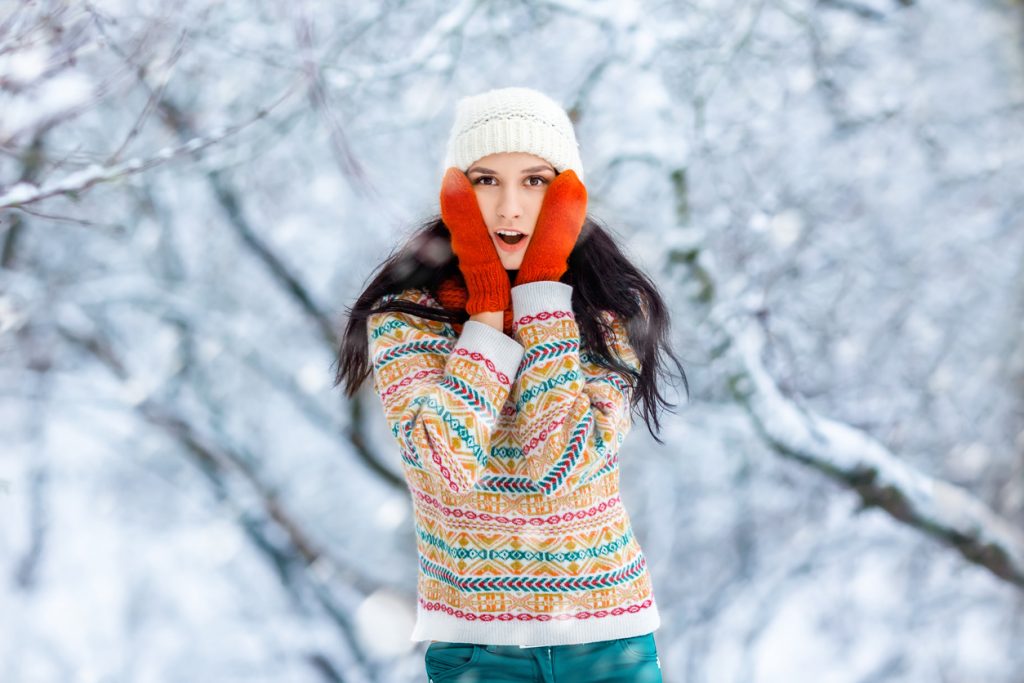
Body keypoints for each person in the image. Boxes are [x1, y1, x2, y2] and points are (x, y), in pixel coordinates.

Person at [334, 86, 688, 683]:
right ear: (455, 192)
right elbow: (445, 468)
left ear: (567, 195)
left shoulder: (606, 314)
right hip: (477, 651)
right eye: (485, 180)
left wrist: (543, 299)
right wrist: (488, 324)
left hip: (607, 641)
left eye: (534, 180)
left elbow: (562, 470)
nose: (509, 209)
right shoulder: (406, 318)